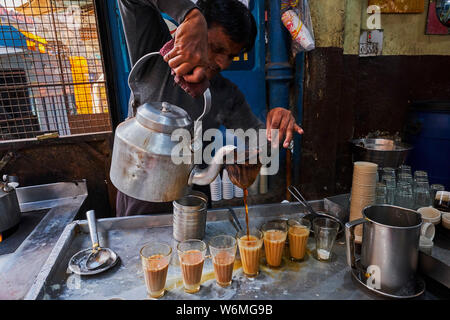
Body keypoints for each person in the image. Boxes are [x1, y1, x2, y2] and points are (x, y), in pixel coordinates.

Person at [116, 0, 303, 217]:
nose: (223, 63)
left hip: (194, 196)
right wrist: (190, 14)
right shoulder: (155, 52)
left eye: (231, 56)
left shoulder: (224, 93)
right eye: (216, 48)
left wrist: (278, 126)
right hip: (141, 190)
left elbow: (260, 145)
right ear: (196, 34)